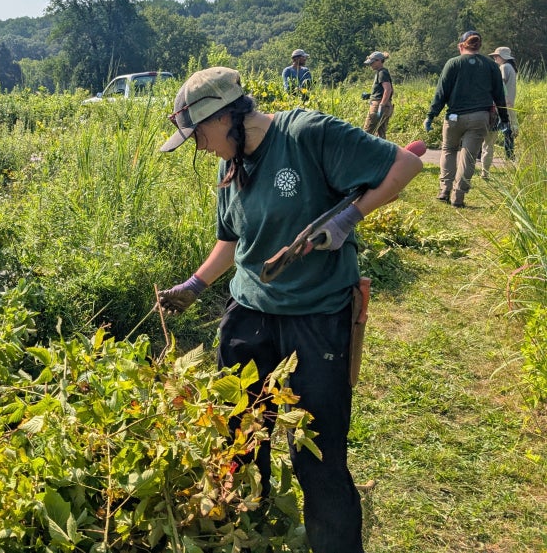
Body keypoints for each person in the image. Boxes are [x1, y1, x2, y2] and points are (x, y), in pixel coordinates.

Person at [156, 67, 422, 553]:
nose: (199, 147)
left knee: (316, 455)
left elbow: (404, 166)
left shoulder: (307, 135)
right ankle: (248, 533)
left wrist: (346, 218)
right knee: (237, 437)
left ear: (225, 118)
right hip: (248, 313)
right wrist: (194, 285)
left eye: (198, 136)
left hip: (316, 317)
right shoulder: (230, 164)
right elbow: (231, 242)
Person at [423, 31, 510, 207]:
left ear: (461, 46)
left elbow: (441, 92)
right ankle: (459, 196)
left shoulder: (453, 63)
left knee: (448, 150)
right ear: (479, 46)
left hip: (454, 117)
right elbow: (499, 95)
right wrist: (504, 119)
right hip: (480, 117)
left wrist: (431, 115)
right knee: (469, 157)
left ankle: (444, 189)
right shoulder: (490, 65)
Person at [478, 46, 518, 177]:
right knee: (508, 133)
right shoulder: (511, 68)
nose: (495, 59)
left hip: (500, 106)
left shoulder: (504, 67)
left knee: (489, 137)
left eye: (496, 56)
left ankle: (482, 161)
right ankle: (510, 157)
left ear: (503, 57)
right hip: (509, 104)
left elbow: (498, 86)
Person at [361, 51, 394, 139]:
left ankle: (364, 152)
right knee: (381, 134)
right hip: (386, 105)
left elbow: (388, 89)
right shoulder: (382, 72)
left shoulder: (382, 73)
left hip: (378, 106)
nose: (370, 65)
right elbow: (382, 90)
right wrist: (370, 95)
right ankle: (383, 152)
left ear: (379, 61)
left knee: (367, 133)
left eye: (372, 63)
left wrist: (381, 105)